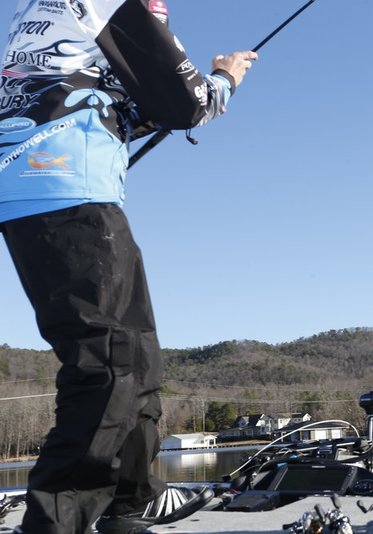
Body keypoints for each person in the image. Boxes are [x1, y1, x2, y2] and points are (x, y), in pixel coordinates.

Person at [0, 1, 258, 533]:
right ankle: (56, 519)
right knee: (107, 365)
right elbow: (187, 104)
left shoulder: (46, 15)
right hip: (65, 191)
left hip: (55, 194)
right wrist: (225, 77)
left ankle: (131, 500)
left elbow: (89, 97)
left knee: (138, 361)